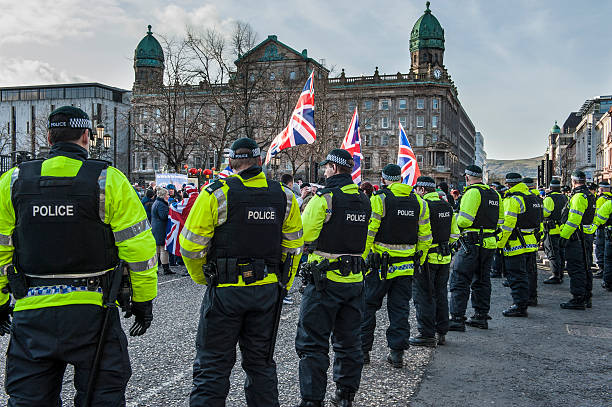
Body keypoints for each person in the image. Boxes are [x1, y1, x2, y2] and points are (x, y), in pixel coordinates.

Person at [0, 106, 157, 406]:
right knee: (102, 398)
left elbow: (1, 249)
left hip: (33, 311)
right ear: (87, 136)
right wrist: (142, 300)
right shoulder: (107, 180)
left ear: (48, 137)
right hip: (94, 310)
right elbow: (138, 249)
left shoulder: (14, 181)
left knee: (29, 401)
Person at [179, 138, 303, 407]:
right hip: (267, 291)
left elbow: (190, 246)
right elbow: (293, 248)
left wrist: (203, 277)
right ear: (259, 161)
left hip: (226, 290)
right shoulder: (285, 196)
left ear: (231, 161)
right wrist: (283, 283)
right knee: (261, 365)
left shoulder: (216, 193)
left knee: (212, 367)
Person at [296, 149, 371, 407]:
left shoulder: (324, 198)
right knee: (349, 342)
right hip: (354, 282)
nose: (324, 170)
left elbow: (303, 235)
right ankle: (345, 396)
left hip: (324, 283)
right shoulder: (364, 200)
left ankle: (311, 400)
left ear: (335, 168)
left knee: (312, 343)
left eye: (327, 167)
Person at [360, 165, 431, 364]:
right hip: (406, 266)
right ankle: (397, 353)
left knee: (368, 307)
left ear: (383, 179)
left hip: (379, 266)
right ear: (400, 178)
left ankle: (363, 351)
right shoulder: (418, 201)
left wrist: (364, 258)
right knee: (400, 309)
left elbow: (369, 232)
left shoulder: (380, 199)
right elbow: (425, 236)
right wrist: (420, 259)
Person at [449, 165, 502, 331]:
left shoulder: (472, 192)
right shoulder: (494, 193)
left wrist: (454, 217)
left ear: (466, 177)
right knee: (482, 281)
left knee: (460, 280)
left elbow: (464, 221)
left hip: (471, 244)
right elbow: (501, 221)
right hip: (489, 243)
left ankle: (457, 318)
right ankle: (481, 316)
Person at [411, 176, 457, 346]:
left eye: (417, 189)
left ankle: (427, 334)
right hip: (444, 257)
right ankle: (442, 331)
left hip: (427, 258)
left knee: (424, 296)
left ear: (422, 190)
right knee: (441, 293)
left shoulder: (423, 207)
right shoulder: (447, 205)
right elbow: (454, 233)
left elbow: (419, 234)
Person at [498, 173, 541, 317]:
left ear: (508, 184)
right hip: (530, 242)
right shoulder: (533, 197)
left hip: (516, 243)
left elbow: (507, 225)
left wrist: (500, 244)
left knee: (517, 276)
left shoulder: (513, 199)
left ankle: (520, 306)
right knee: (529, 273)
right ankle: (530, 298)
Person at [558, 170, 596, 309]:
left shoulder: (579, 197)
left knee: (576, 268)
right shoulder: (590, 195)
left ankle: (578, 299)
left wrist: (564, 237)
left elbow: (573, 220)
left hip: (576, 238)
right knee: (586, 267)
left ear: (573, 182)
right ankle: (586, 296)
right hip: (584, 236)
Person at [542, 179, 569, 284]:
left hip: (551, 230)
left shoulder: (549, 199)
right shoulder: (565, 197)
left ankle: (555, 275)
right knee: (561, 253)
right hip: (562, 229)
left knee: (552, 253)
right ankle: (560, 273)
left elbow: (546, 213)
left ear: (551, 187)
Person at [152, 187, 175, 275]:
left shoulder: (156, 202)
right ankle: (166, 268)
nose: (168, 196)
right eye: (167, 194)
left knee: (157, 250)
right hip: (161, 228)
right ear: (163, 196)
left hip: (156, 228)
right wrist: (169, 210)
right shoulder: (161, 204)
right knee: (163, 249)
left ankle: (155, 268)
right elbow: (163, 216)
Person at [592, 197, 612, 291]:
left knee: (609, 260)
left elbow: (600, 218)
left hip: (610, 236)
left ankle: (608, 283)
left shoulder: (609, 203)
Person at [594, 181, 612, 278]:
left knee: (600, 248)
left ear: (601, 189)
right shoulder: (610, 198)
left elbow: (598, 215)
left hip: (602, 228)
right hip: (609, 228)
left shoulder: (601, 199)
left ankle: (602, 269)